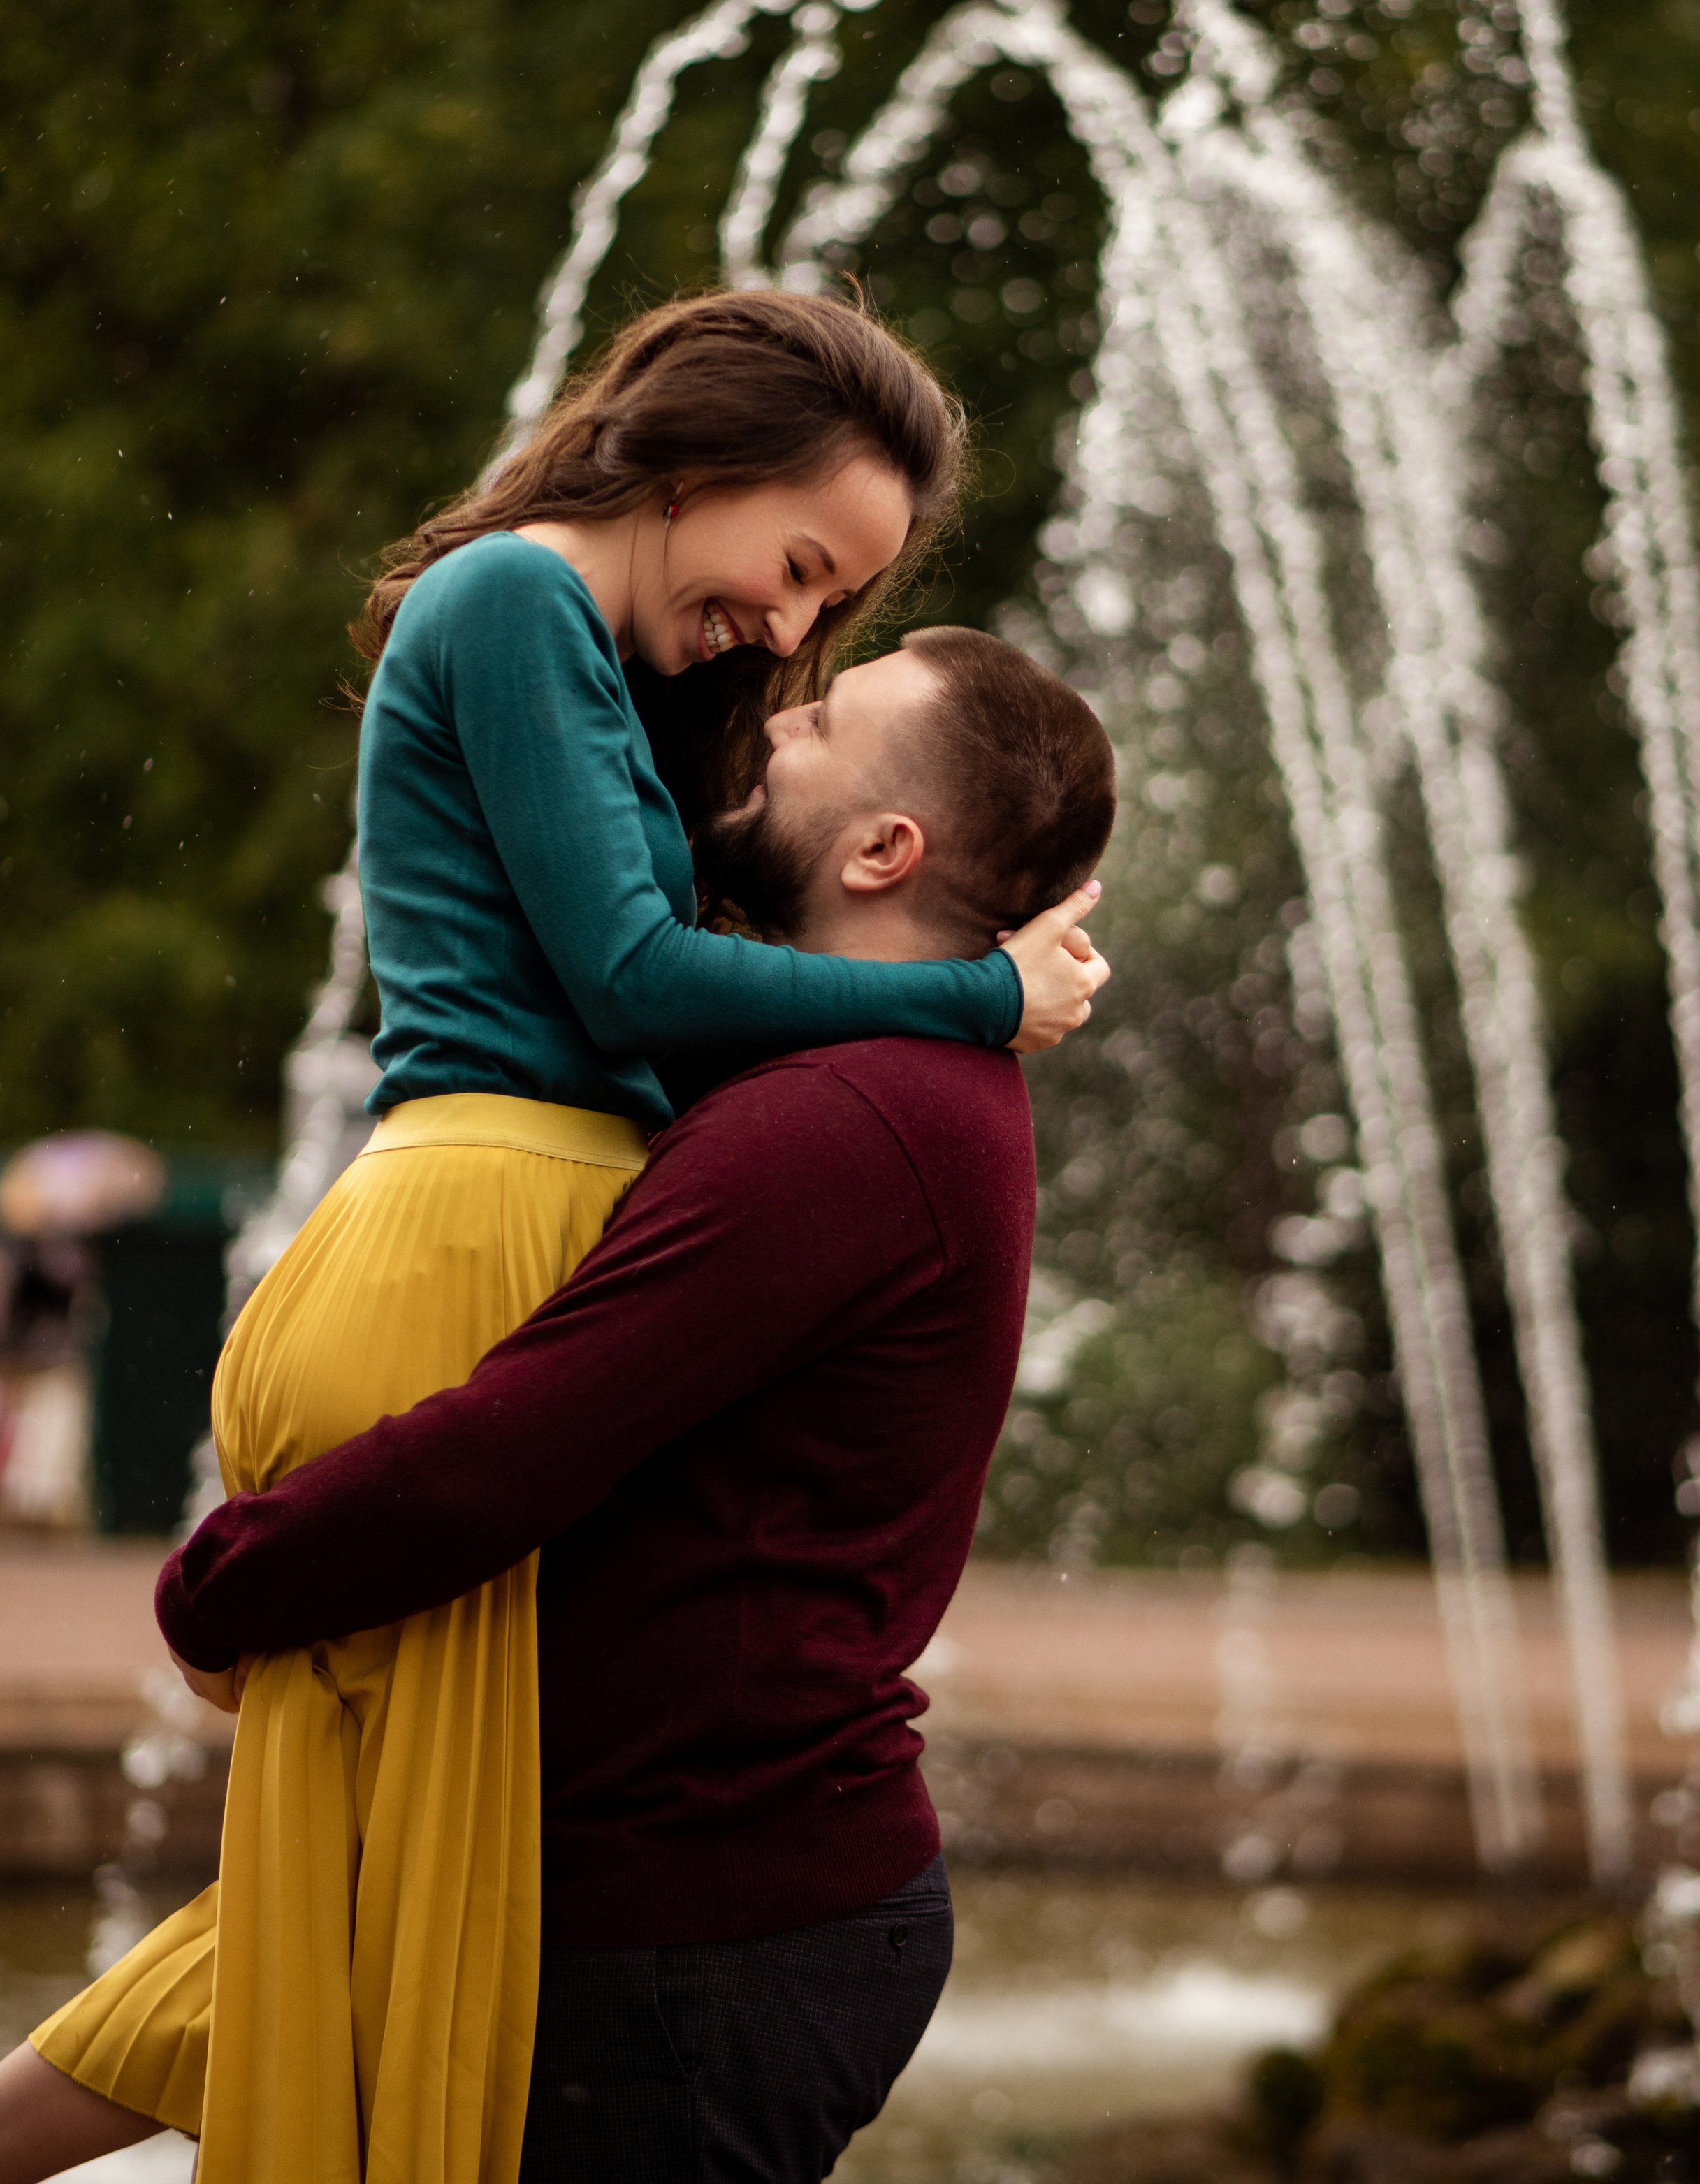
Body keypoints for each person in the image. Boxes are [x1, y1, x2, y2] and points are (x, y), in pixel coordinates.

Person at [0, 293, 1105, 2184]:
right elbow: (636, 978)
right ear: (700, 459)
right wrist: (978, 991)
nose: (789, 635)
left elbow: (666, 975)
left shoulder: (597, 669)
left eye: (830, 612)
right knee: (389, 1878)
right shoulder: (515, 598)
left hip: (494, 1225)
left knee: (367, 1880)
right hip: (473, 1223)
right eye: (801, 568)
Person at [159, 623, 1118, 2183]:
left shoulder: (845, 1120)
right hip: (701, 1895)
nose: (777, 726)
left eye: (821, 722)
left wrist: (221, 1581)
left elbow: (519, 1446)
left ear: (883, 850)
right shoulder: (875, 1081)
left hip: (703, 1933)